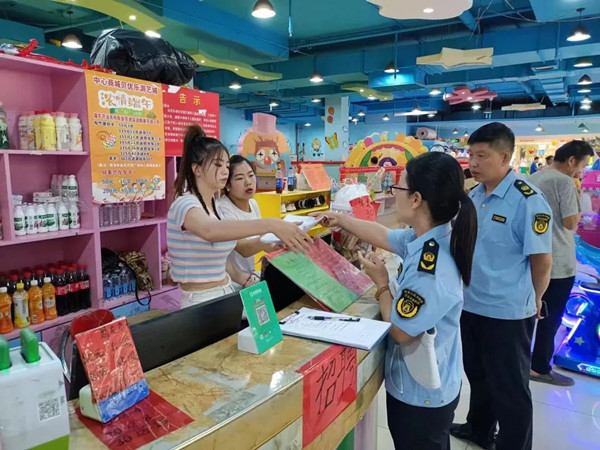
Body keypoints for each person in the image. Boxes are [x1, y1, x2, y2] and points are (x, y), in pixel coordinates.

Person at [316, 152, 477, 450]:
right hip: (429, 384)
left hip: (422, 397)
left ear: (416, 199)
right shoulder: (428, 236)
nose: (394, 194)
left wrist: (381, 283)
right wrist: (341, 219)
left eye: (398, 188)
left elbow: (401, 332)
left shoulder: (431, 269)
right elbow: (384, 235)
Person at [450, 123, 553, 450]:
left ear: (506, 157)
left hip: (507, 311)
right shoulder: (475, 195)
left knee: (510, 388)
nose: (473, 163)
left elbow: (542, 260)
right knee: (478, 375)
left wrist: (536, 298)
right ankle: (479, 429)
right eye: (471, 154)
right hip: (471, 304)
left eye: (482, 156)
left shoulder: (528, 201)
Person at [167, 125, 311, 308]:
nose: (224, 171)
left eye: (226, 166)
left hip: (225, 292)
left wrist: (273, 240)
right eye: (217, 165)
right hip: (200, 300)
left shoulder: (213, 207)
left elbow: (226, 255)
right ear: (197, 169)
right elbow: (209, 230)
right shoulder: (185, 204)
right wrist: (271, 225)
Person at [529, 141, 594, 386]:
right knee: (551, 317)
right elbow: (570, 222)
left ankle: (522, 360)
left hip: (531, 257)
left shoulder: (534, 178)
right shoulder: (565, 182)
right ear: (571, 161)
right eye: (583, 165)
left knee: (528, 315)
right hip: (558, 260)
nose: (582, 171)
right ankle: (539, 367)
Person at [218, 155, 276, 289]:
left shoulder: (253, 204)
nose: (248, 182)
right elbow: (243, 248)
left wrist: (276, 247)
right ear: (227, 184)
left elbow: (262, 242)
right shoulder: (222, 208)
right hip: (230, 283)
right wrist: (273, 232)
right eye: (239, 178)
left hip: (250, 279)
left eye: (250, 175)